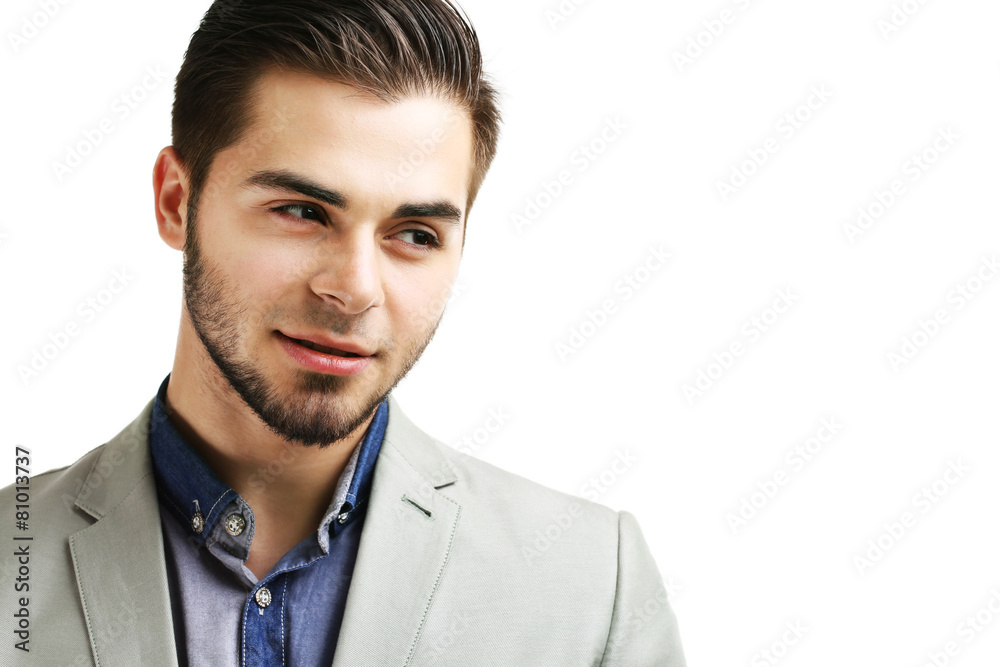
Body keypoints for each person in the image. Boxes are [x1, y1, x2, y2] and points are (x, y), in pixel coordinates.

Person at [0, 1, 686, 664]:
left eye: (415, 234)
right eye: (302, 210)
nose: (355, 287)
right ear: (177, 202)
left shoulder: (593, 588)